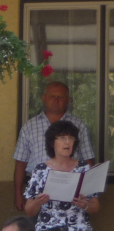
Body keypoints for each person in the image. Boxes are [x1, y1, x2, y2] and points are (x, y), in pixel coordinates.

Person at [24, 120, 99, 231]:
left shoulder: (84, 169)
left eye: (71, 138)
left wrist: (84, 204)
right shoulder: (40, 170)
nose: (67, 142)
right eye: (62, 137)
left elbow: (95, 206)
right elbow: (28, 210)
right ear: (53, 142)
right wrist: (38, 202)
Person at [13, 81, 95, 211]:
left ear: (68, 100)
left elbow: (88, 160)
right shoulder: (29, 127)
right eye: (52, 96)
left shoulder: (79, 126)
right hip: (39, 191)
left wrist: (89, 196)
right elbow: (21, 162)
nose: (56, 100)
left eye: (61, 97)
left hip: (73, 191)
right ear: (44, 98)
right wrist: (18, 194)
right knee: (40, 228)